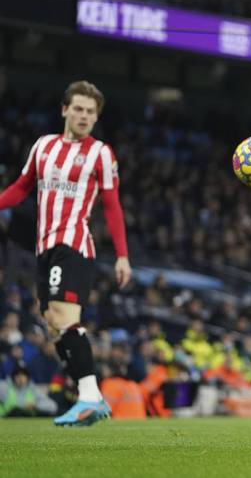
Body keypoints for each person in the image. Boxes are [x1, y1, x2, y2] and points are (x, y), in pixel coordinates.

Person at [0, 80, 132, 426]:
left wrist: (122, 255)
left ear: (96, 117)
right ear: (65, 110)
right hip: (43, 247)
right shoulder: (43, 146)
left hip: (73, 245)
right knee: (53, 324)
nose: (84, 116)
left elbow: (112, 206)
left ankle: (89, 397)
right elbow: (20, 189)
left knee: (63, 316)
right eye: (78, 109)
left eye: (91, 111)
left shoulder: (101, 153)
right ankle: (89, 397)